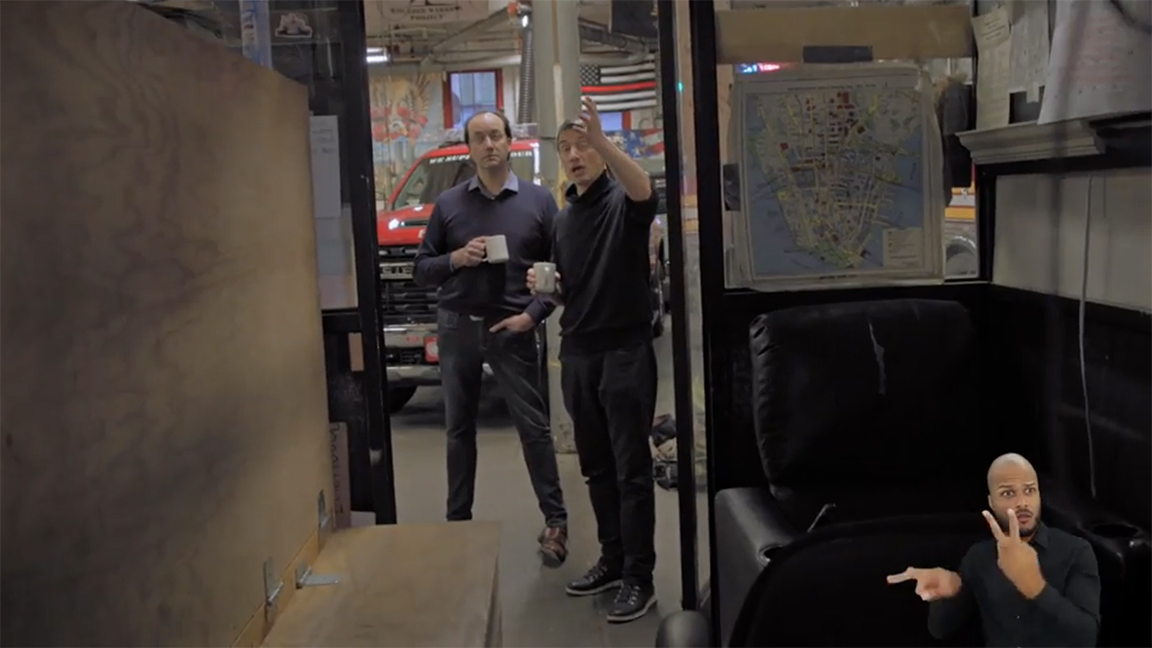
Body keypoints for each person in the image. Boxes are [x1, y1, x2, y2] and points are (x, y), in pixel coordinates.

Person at [413, 110, 569, 567]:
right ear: (469, 148)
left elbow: (559, 275)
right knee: (459, 430)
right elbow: (423, 269)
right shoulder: (449, 205)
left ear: (509, 142)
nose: (489, 145)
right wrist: (456, 259)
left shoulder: (540, 203)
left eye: (496, 136)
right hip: (458, 326)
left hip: (513, 329)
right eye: (479, 138)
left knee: (533, 428)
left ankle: (556, 522)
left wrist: (532, 317)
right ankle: (458, 523)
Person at [527, 97, 660, 623]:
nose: (574, 155)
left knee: (632, 471)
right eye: (565, 148)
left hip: (625, 351)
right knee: (597, 470)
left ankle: (640, 577)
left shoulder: (620, 202)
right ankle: (612, 558)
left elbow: (646, 192)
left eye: (582, 145)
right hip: (578, 352)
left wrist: (606, 141)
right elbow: (570, 291)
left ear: (601, 153)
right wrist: (552, 292)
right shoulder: (565, 220)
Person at [887, 453, 1101, 647]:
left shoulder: (1076, 551)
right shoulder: (979, 557)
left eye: (1029, 490)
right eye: (1008, 493)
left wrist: (1036, 587)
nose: (1022, 502)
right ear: (991, 502)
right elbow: (940, 630)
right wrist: (951, 591)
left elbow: (1086, 638)